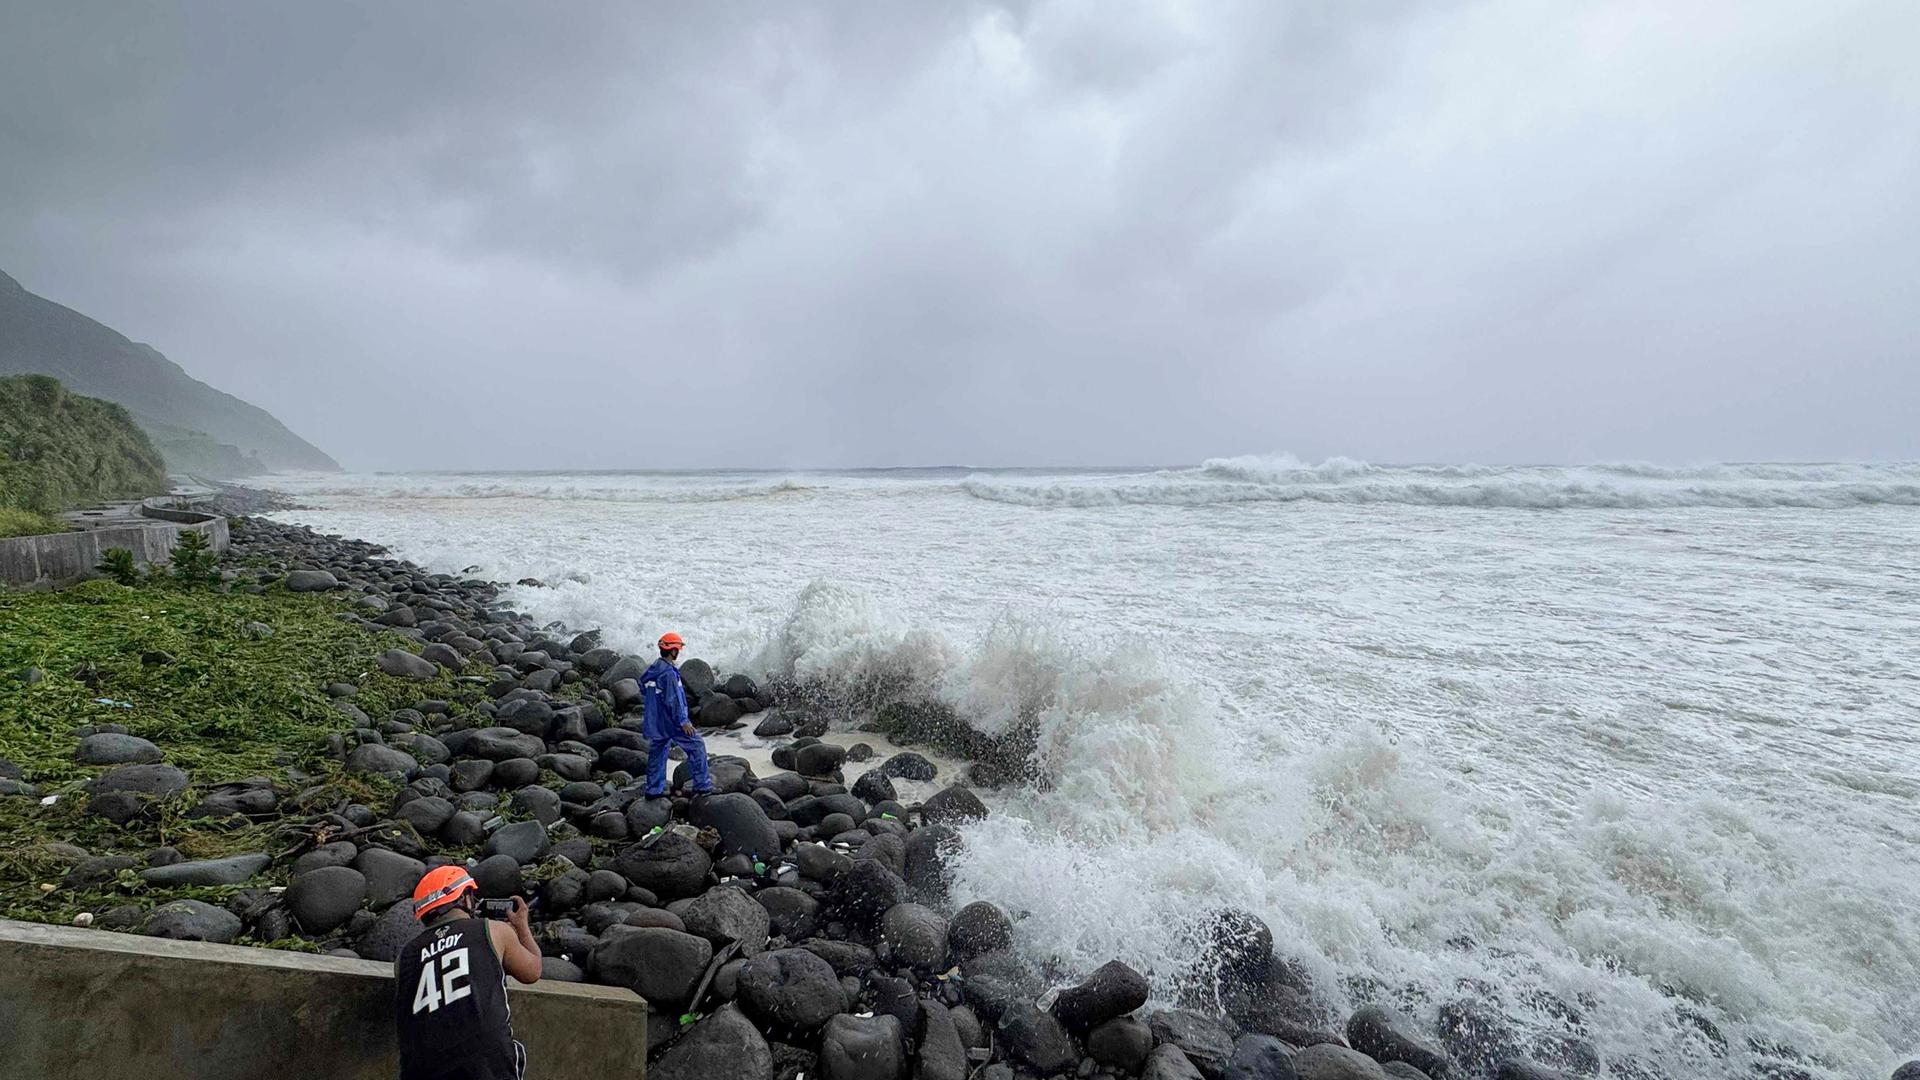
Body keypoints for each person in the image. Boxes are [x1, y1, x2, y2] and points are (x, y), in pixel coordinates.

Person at [394, 866, 542, 1080]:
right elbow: (532, 971)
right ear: (465, 898)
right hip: (485, 1064)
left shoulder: (405, 956)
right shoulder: (492, 930)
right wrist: (522, 928)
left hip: (421, 1070)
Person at [642, 630, 714, 798]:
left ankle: (653, 789)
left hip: (656, 721)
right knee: (697, 745)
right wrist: (683, 721)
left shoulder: (654, 668)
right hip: (671, 721)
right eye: (678, 649)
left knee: (658, 751)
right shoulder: (669, 673)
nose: (678, 652)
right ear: (673, 651)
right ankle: (702, 786)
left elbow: (643, 687)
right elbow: (674, 700)